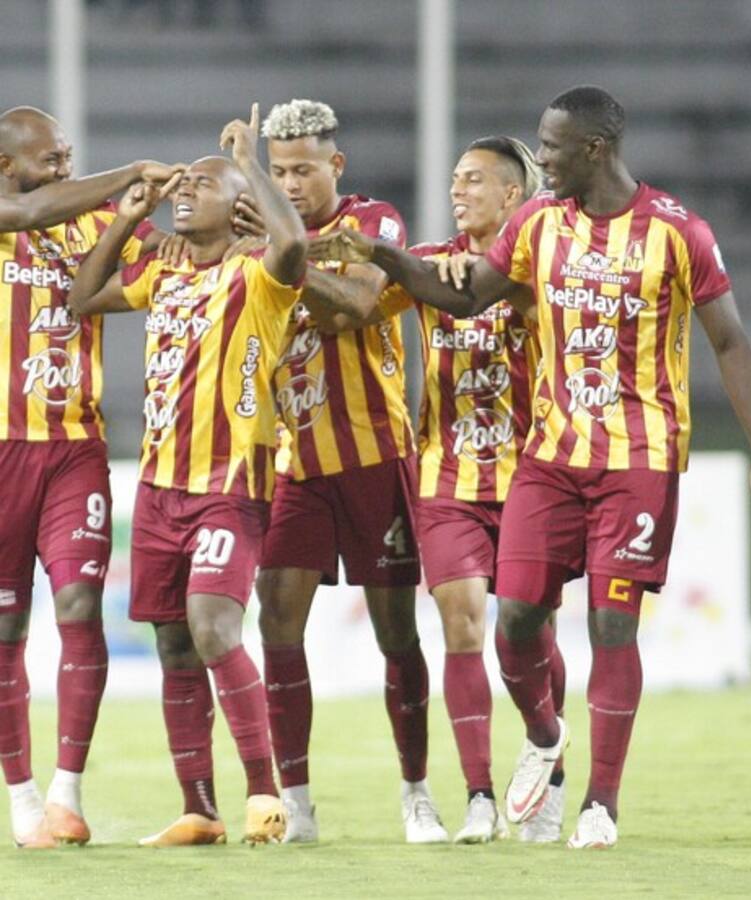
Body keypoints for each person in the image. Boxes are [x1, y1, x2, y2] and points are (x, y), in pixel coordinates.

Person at [309, 85, 751, 849]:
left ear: (595, 149)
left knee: (610, 625)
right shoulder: (537, 225)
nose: (544, 160)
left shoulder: (678, 232)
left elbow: (728, 341)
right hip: (551, 458)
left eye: (553, 148)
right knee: (518, 619)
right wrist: (387, 256)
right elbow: (464, 299)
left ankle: (601, 803)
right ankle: (546, 732)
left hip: (639, 456)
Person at [67, 104, 309, 846]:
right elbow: (83, 297)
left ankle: (267, 798)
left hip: (228, 485)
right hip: (161, 485)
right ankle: (198, 808)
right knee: (174, 642)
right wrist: (125, 216)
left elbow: (293, 241)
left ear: (237, 203)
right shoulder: (164, 275)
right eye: (184, 184)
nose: (184, 190)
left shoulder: (258, 275)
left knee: (212, 626)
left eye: (203, 183)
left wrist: (254, 161)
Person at [251, 99, 444, 845]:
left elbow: (360, 306)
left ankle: (416, 792)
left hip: (373, 454)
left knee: (397, 634)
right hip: (296, 463)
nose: (290, 184)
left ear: (336, 165)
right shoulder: (263, 231)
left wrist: (283, 259)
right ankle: (295, 803)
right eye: (278, 173)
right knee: (276, 623)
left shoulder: (375, 223)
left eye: (303, 170)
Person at [0, 105, 183, 848]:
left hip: (76, 447)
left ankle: (67, 795)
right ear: (7, 166)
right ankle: (20, 796)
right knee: (7, 626)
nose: (62, 168)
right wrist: (132, 175)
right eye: (48, 158)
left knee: (79, 605)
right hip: (3, 447)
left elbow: (172, 252)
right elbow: (35, 207)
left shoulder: (92, 222)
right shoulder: (16, 213)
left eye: (67, 154)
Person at [378, 135, 566, 844]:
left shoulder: (548, 265)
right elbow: (363, 306)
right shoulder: (430, 264)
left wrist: (499, 278)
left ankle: (548, 771)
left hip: (534, 477)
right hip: (445, 475)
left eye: (475, 180)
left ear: (514, 195)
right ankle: (480, 794)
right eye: (455, 179)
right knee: (462, 626)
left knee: (532, 632)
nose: (458, 190)